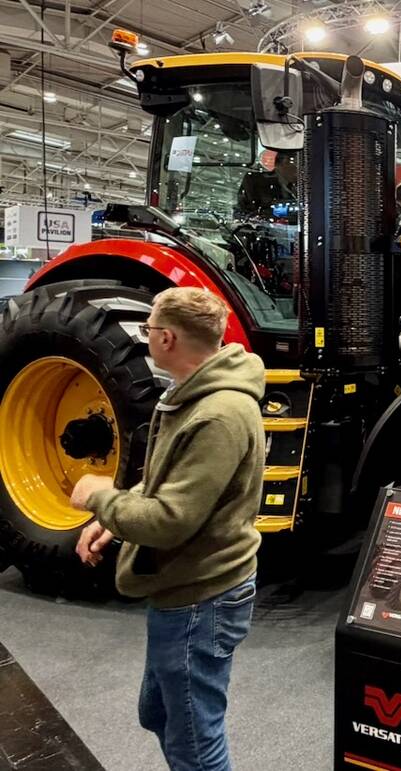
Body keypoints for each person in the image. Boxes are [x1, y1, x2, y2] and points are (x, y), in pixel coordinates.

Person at [70, 287, 266, 770]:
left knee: (194, 743)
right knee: (159, 713)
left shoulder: (217, 415)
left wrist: (100, 494)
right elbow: (168, 483)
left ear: (167, 338)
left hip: (200, 600)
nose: (146, 337)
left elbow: (171, 520)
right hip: (184, 592)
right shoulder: (190, 395)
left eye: (147, 329)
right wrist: (114, 522)